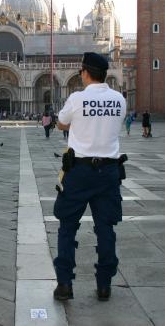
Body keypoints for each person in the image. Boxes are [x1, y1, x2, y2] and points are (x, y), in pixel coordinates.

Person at [53, 52, 126, 302]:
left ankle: (64, 284)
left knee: (67, 226)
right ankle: (104, 285)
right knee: (105, 227)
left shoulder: (77, 98)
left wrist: (78, 124)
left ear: (84, 73)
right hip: (109, 172)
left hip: (79, 171)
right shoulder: (119, 100)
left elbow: (61, 123)